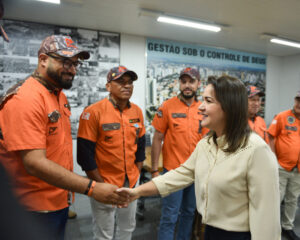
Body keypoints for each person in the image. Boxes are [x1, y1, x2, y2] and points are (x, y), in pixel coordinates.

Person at [118, 75, 281, 240]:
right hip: (210, 230)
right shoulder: (207, 144)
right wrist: (138, 192)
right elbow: (180, 174)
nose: (201, 107)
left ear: (229, 107)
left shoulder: (257, 151)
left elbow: (267, 221)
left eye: (208, 101)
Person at [0, 35, 128, 240]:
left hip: (58, 200)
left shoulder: (57, 94)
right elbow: (34, 163)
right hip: (33, 208)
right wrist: (92, 188)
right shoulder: (25, 99)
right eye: (65, 62)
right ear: (43, 60)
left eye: (75, 63)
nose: (72, 69)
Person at [77, 65, 146, 240]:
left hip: (130, 182)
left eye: (130, 82)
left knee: (127, 227)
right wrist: (100, 185)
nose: (127, 86)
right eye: (121, 82)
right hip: (104, 182)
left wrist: (136, 174)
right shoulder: (93, 112)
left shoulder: (137, 111)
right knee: (103, 233)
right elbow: (85, 157)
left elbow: (140, 147)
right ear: (108, 86)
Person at [151, 67, 209, 240]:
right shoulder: (167, 106)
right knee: (170, 215)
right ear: (179, 84)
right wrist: (154, 170)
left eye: (191, 81)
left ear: (198, 84)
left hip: (196, 172)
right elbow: (157, 138)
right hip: (173, 171)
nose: (187, 85)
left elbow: (208, 141)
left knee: (189, 213)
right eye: (184, 82)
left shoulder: (204, 108)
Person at [268, 90, 300, 240]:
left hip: (298, 170)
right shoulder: (282, 116)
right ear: (295, 100)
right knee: (276, 198)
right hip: (281, 166)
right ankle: (271, 227)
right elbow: (271, 135)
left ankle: (288, 226)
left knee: (293, 199)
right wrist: (273, 158)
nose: (299, 104)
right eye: (298, 100)